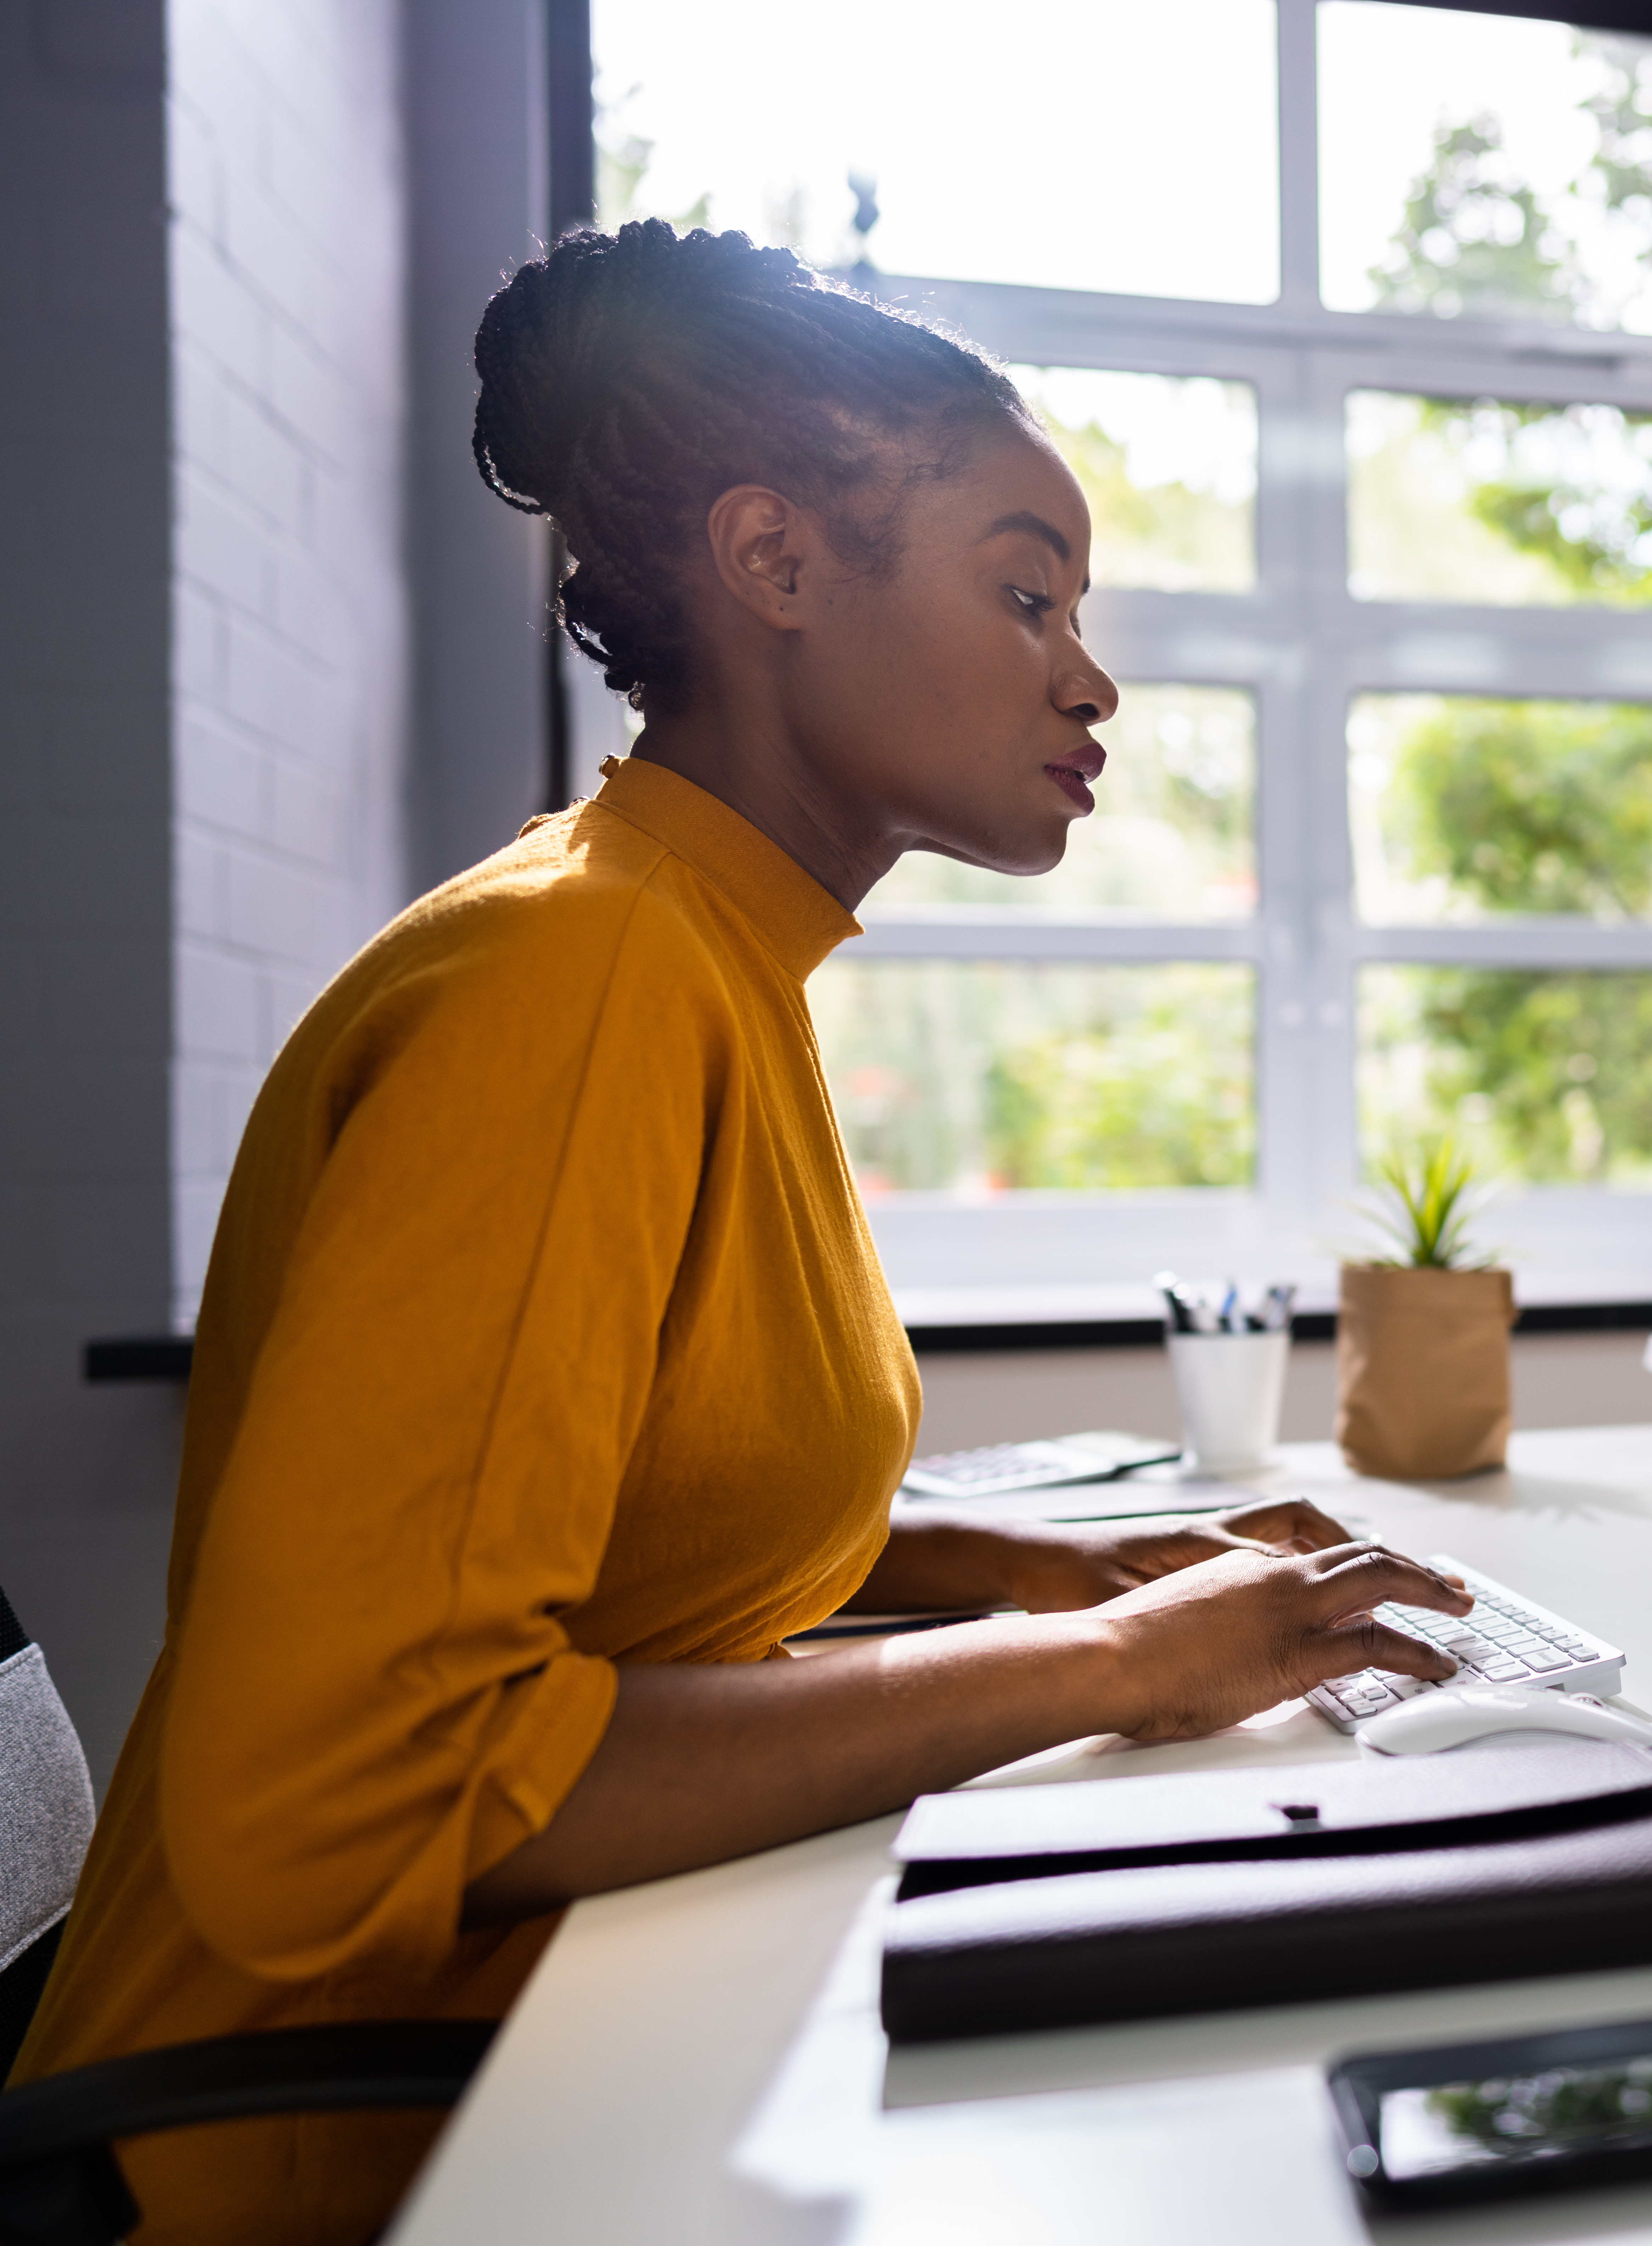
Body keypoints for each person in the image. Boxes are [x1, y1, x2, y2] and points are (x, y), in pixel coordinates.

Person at [4, 222, 1472, 2246]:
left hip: (544, 2055)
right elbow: (341, 1808)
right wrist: (1096, 1663)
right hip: (323, 2155)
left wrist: (1011, 1562)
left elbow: (623, 1517)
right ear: (776, 566)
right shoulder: (583, 981)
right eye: (1025, 588)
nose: (1090, 669)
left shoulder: (701, 960)